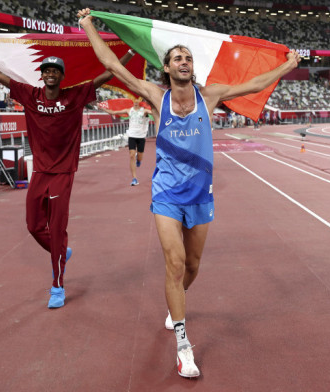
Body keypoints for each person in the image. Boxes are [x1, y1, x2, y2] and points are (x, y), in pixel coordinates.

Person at [78, 8, 300, 378]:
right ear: (166, 68)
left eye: (188, 58)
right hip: (166, 192)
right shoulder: (155, 95)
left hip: (200, 194)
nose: (185, 61)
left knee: (192, 267)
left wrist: (286, 67)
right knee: (175, 264)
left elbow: (255, 85)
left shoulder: (209, 96)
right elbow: (113, 65)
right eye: (177, 58)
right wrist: (88, 26)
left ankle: (175, 302)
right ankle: (183, 345)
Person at [0, 29, 135, 309]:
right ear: (42, 74)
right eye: (46, 70)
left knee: (56, 229)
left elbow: (106, 75)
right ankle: (62, 252)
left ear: (62, 76)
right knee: (33, 226)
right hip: (40, 172)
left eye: (55, 70)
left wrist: (130, 53)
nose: (51, 73)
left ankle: (57, 285)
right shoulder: (30, 94)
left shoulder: (75, 96)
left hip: (63, 174)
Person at [101, 97, 152, 186]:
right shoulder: (129, 110)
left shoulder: (144, 111)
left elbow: (153, 113)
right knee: (131, 155)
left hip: (141, 137)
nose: (135, 102)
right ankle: (134, 178)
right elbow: (113, 112)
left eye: (137, 101)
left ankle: (139, 159)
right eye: (134, 101)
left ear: (140, 102)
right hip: (131, 136)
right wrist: (101, 108)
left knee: (140, 157)